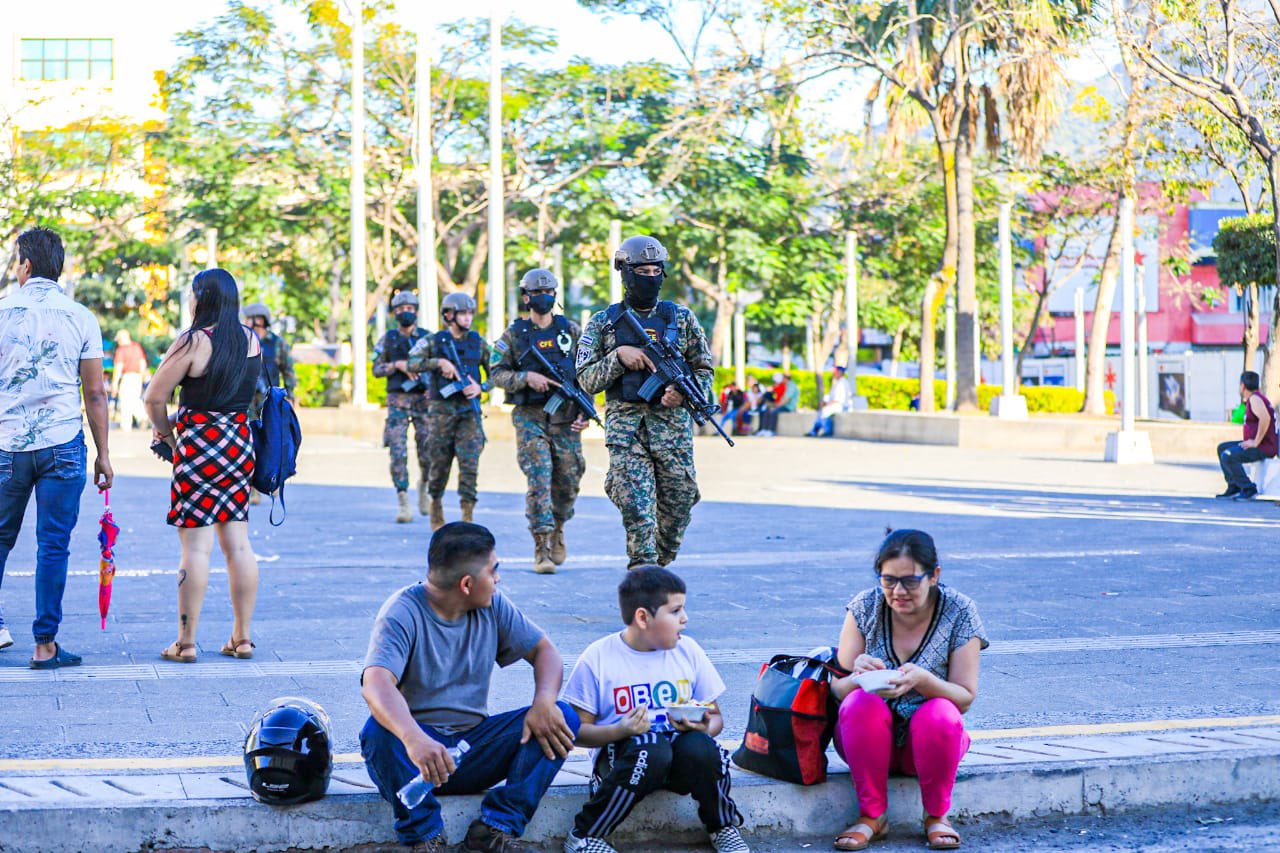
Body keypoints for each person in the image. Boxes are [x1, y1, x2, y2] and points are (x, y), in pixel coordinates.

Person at [360, 522, 580, 853]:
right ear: (467, 583)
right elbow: (376, 682)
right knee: (376, 731)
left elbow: (545, 652)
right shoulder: (402, 611)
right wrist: (414, 739)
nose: (498, 579)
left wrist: (544, 702)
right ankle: (425, 837)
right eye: (494, 571)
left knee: (562, 716)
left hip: (471, 751)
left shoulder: (494, 604)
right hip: (413, 761)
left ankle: (495, 830)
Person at [561, 567, 749, 853]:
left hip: (678, 761)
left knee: (701, 745)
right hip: (625, 763)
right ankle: (585, 834)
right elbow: (577, 732)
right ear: (643, 617)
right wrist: (619, 730)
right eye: (675, 611)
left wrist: (703, 727)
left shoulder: (689, 651)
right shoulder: (599, 657)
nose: (684, 619)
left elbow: (716, 718)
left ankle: (722, 826)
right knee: (651, 746)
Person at [829, 529, 987, 851]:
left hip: (933, 745)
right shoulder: (865, 606)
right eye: (888, 580)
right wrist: (859, 675)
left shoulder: (959, 610)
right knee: (860, 702)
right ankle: (872, 816)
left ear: (934, 576)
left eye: (910, 582)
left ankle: (936, 816)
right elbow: (836, 689)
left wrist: (925, 681)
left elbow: (965, 697)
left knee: (940, 712)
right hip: (866, 744)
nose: (898, 591)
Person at [0, 227, 112, 669]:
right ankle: (44, 644)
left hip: (7, 443)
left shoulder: (1, 311)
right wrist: (103, 454)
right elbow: (96, 393)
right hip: (63, 444)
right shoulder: (80, 316)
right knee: (53, 545)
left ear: (25, 265)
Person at [143, 268, 262, 664]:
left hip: (198, 450)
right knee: (239, 544)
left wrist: (167, 437)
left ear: (201, 298)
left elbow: (154, 397)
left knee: (196, 547)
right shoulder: (251, 339)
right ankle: (242, 638)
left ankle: (186, 642)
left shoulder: (193, 341)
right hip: (239, 447)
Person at [576, 235, 713, 569]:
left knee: (680, 505)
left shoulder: (681, 318)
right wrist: (619, 358)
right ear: (625, 272)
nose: (650, 277)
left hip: (673, 434)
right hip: (628, 433)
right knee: (638, 510)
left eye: (656, 270)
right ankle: (644, 575)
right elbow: (585, 379)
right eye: (642, 270)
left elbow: (704, 369)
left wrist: (684, 392)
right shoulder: (603, 322)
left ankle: (657, 569)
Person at [489, 269, 588, 574]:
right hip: (530, 418)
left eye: (549, 291)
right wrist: (525, 377)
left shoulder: (570, 331)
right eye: (537, 292)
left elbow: (588, 371)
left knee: (569, 480)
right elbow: (496, 373)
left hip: (566, 417)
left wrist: (587, 408)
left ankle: (559, 525)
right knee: (539, 478)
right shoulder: (514, 335)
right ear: (526, 297)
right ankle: (541, 546)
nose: (544, 297)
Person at [408, 292, 492, 530]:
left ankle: (467, 514)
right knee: (439, 462)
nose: (467, 318)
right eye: (462, 314)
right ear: (449, 316)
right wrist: (438, 363)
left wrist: (481, 386)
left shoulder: (478, 342)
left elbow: (498, 371)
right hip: (441, 413)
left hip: (469, 412)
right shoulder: (434, 342)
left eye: (469, 313)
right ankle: (436, 504)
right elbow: (412, 362)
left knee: (469, 464)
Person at [372, 291, 433, 523]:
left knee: (427, 449)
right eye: (400, 309)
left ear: (416, 311)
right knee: (397, 451)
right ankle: (403, 499)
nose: (405, 312)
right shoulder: (388, 339)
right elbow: (376, 369)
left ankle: (424, 486)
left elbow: (437, 366)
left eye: (409, 308)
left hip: (423, 401)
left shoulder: (428, 338)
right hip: (398, 401)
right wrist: (397, 365)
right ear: (394, 313)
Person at [242, 302, 296, 506]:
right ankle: (253, 489)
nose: (246, 322)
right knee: (250, 443)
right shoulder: (244, 341)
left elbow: (288, 370)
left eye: (249, 318)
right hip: (247, 401)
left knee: (272, 442)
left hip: (270, 401)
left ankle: (273, 482)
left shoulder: (277, 343)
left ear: (259, 319)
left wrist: (290, 396)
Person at [1216, 370, 1278, 501]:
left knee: (1228, 456)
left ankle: (1248, 488)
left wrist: (1255, 442)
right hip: (1259, 443)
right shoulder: (1257, 398)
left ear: (1242, 386)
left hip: (1263, 447)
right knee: (1222, 448)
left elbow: (1265, 419)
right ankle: (1234, 487)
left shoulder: (1255, 399)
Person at [110, 329, 149, 432]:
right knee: (135, 399)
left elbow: (118, 367)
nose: (118, 342)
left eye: (118, 340)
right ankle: (143, 417)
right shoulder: (137, 347)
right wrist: (142, 376)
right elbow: (142, 363)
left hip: (127, 377)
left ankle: (126, 425)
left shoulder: (121, 350)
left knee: (125, 400)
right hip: (138, 377)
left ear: (122, 339)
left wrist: (114, 384)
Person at [807, 365, 854, 437]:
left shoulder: (842, 383)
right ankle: (814, 431)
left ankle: (827, 431)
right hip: (836, 405)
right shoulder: (838, 382)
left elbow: (838, 400)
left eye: (835, 372)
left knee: (825, 411)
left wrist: (827, 404)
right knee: (822, 411)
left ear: (840, 373)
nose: (833, 373)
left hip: (842, 406)